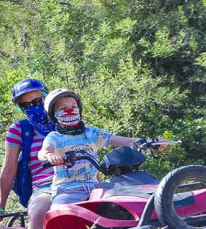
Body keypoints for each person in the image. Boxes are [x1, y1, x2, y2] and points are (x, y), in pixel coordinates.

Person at [39, 89, 167, 208]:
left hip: (96, 188)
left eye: (74, 107)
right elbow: (44, 152)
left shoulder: (92, 133)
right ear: (54, 114)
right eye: (63, 108)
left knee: (120, 208)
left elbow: (123, 140)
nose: (70, 110)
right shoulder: (55, 137)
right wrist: (50, 156)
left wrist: (149, 142)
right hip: (67, 190)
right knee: (60, 214)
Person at [0, 78, 56, 229]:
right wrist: (0, 206)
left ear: (46, 98)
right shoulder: (19, 130)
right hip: (44, 186)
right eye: (25, 105)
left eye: (36, 102)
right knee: (36, 215)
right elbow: (9, 168)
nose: (32, 108)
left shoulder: (67, 120)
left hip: (79, 182)